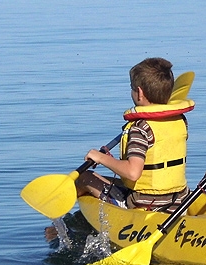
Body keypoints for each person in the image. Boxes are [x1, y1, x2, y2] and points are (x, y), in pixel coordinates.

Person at [77, 57, 194, 212]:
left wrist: (100, 158)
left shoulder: (140, 128)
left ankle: (73, 221)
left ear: (139, 93)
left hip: (143, 204)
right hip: (179, 200)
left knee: (84, 177)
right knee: (118, 182)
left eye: (132, 88)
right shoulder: (180, 120)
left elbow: (133, 173)